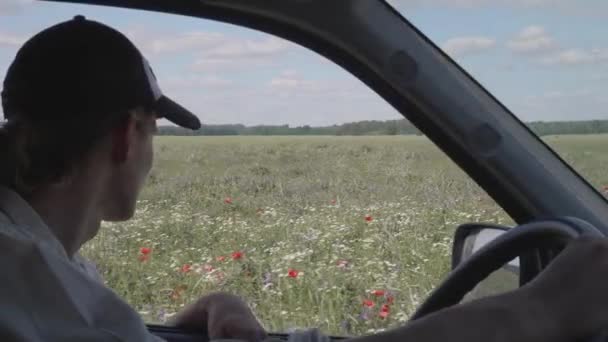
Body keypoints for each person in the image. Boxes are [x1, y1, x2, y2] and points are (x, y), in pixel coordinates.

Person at [1, 15, 608, 342]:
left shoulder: (42, 265)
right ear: (125, 136)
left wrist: (210, 305)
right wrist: (536, 313)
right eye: (155, 134)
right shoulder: (24, 283)